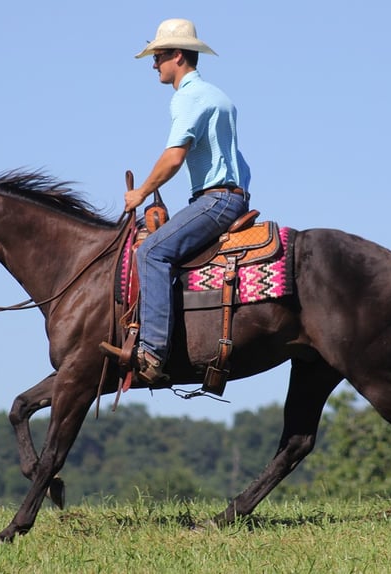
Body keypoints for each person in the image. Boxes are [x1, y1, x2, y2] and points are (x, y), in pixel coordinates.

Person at [103, 18, 251, 386]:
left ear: (179, 56)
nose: (154, 64)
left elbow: (173, 157)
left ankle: (151, 353)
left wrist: (140, 193)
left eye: (159, 56)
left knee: (151, 252)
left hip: (216, 199)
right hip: (229, 196)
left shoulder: (189, 97)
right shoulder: (218, 96)